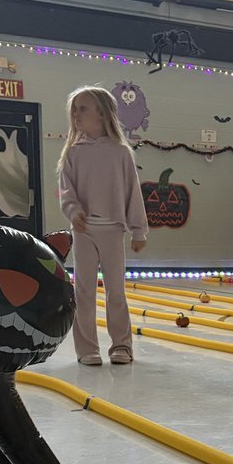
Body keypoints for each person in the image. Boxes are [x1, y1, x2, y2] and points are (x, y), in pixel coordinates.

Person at [58, 86, 148, 365]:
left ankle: (121, 345)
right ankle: (87, 348)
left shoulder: (120, 153)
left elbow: (133, 192)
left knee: (116, 291)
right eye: (74, 109)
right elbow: (65, 190)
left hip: (113, 230)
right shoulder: (72, 153)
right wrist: (73, 211)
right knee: (83, 291)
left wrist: (138, 229)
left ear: (102, 113)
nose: (76, 114)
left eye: (82, 108)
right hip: (84, 232)